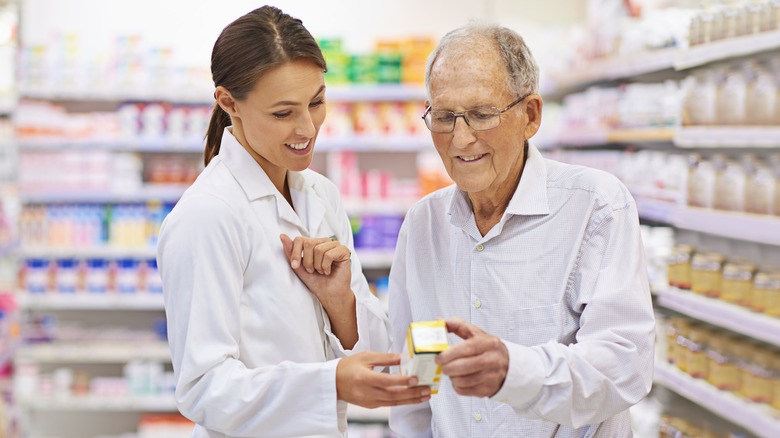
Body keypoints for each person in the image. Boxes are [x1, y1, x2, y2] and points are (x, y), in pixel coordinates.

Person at [157, 6, 430, 438]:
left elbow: (378, 354)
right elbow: (203, 388)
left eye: (317, 102)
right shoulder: (208, 215)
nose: (308, 128)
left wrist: (339, 301)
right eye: (283, 113)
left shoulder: (320, 194)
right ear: (229, 103)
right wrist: (329, 381)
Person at [388, 23, 655, 437]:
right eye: (443, 117)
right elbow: (419, 377)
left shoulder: (596, 206)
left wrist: (515, 372)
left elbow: (623, 366)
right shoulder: (424, 225)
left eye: (481, 114)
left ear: (530, 115)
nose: (461, 139)